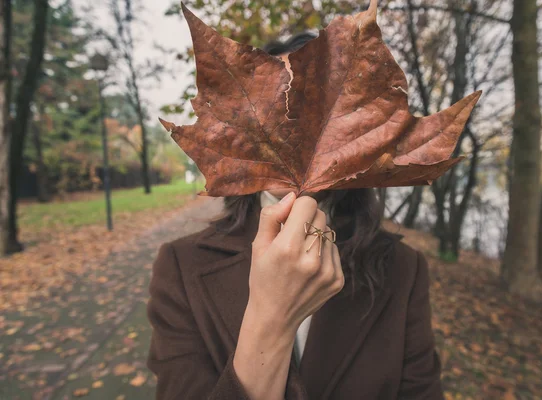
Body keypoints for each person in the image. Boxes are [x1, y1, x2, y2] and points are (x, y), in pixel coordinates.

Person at [146, 31, 443, 400]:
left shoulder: (404, 269)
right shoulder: (180, 265)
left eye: (315, 110)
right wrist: (272, 319)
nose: (298, 129)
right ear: (242, 131)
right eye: (278, 107)